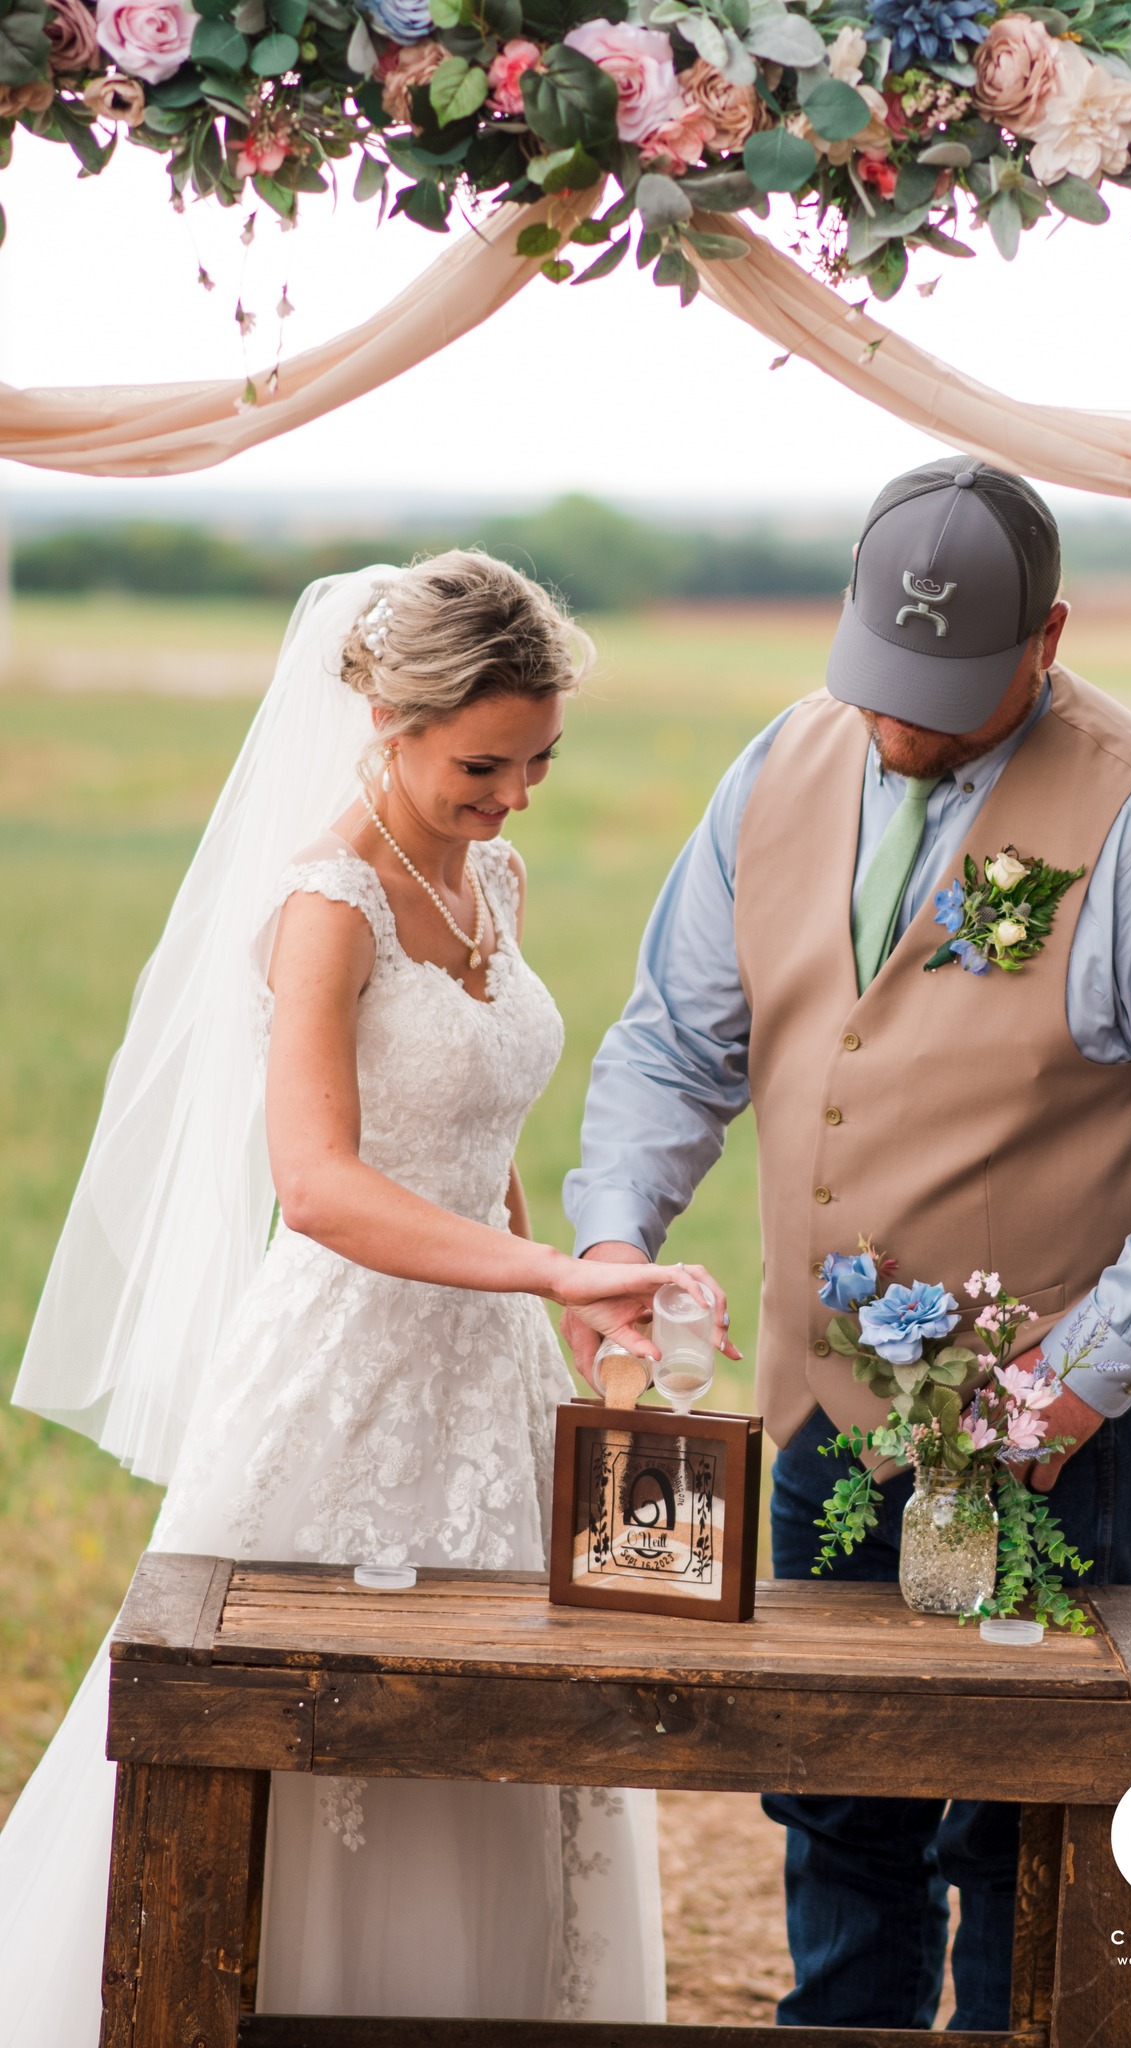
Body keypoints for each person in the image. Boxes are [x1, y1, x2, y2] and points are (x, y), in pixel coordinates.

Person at [563, 457, 1131, 2031]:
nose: (900, 721)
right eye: (882, 675)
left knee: (1021, 1821)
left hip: (1056, 1443)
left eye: (950, 688)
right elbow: (673, 1042)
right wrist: (611, 1234)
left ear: (1049, 641)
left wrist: (1082, 1378)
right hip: (819, 1409)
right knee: (838, 1801)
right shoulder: (774, 766)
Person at [0, 551, 735, 2041]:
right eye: (485, 762)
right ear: (390, 719)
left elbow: (479, 1144)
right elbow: (322, 1185)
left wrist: (575, 1296)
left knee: (522, 1703)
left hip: (496, 1366)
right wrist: (534, 1266)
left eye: (539, 760)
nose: (516, 793)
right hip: (342, 1374)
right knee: (304, 1717)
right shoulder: (325, 901)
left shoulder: (494, 873)